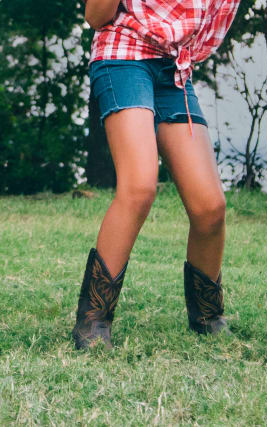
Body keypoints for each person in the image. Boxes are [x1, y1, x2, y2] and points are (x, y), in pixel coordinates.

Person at [72, 0, 240, 350]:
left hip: (174, 69)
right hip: (124, 56)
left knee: (210, 207)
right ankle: (93, 320)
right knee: (139, 186)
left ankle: (208, 317)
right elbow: (94, 16)